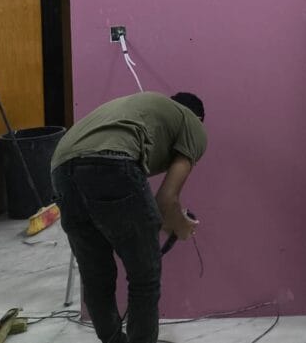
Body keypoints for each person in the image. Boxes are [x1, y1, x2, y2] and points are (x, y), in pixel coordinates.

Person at [51, 91, 208, 343]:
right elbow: (165, 200)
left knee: (96, 275)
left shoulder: (142, 113)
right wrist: (182, 226)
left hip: (60, 167)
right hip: (111, 161)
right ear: (198, 118)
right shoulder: (193, 124)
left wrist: (168, 218)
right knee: (144, 276)